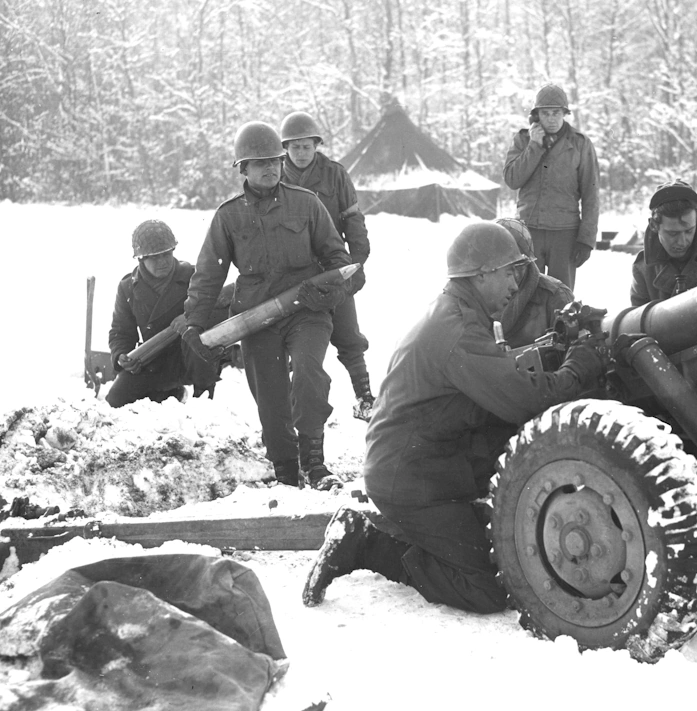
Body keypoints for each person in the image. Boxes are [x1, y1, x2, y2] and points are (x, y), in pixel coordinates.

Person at [302, 221, 604, 612]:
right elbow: (524, 400)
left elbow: (502, 374)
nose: (517, 284)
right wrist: (577, 369)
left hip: (429, 462)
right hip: (411, 480)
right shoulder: (458, 329)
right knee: (489, 587)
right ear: (482, 275)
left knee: (508, 550)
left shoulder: (456, 313)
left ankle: (438, 528)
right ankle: (366, 543)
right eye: (510, 272)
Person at [182, 121, 354, 490]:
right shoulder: (228, 216)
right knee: (270, 398)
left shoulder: (307, 204)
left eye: (275, 160)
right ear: (242, 169)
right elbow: (209, 274)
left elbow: (341, 261)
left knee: (309, 373)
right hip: (255, 317)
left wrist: (332, 294)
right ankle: (286, 470)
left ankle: (315, 462)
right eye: (260, 163)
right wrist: (194, 324)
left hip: (306, 312)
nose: (271, 168)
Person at [279, 111, 375, 421]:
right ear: (285, 149)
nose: (302, 153)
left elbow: (354, 223)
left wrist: (353, 270)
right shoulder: (276, 176)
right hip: (294, 274)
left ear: (317, 145)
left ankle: (364, 397)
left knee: (348, 337)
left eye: (307, 146)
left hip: (333, 267)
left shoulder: (335, 174)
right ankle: (296, 403)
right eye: (295, 147)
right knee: (297, 339)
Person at [106, 220, 232, 408]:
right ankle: (170, 393)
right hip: (152, 360)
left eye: (167, 254)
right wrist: (121, 356)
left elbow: (224, 309)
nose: (163, 261)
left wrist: (192, 318)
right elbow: (120, 331)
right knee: (114, 401)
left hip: (193, 359)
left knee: (196, 341)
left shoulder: (194, 276)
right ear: (141, 259)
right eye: (155, 257)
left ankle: (202, 400)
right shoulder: (128, 288)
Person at [502, 84, 599, 291]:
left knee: (561, 298)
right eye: (546, 113)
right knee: (526, 295)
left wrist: (586, 240)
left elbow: (591, 194)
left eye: (556, 113)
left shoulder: (580, 144)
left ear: (565, 113)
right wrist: (534, 146)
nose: (552, 119)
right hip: (529, 231)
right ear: (536, 116)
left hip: (565, 233)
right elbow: (512, 179)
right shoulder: (522, 140)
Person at [495, 217, 573, 348]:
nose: (511, 276)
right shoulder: (479, 294)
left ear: (527, 264)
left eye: (516, 267)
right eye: (501, 268)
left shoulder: (555, 297)